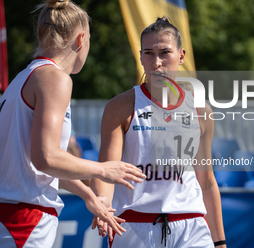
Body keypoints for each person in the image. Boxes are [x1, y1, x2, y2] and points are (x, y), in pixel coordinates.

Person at [0, 0, 145, 247]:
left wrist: (88, 194)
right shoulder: (55, 79)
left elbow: (36, 166)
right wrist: (103, 169)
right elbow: (46, 158)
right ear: (81, 39)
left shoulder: (22, 79)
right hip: (20, 224)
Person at [91, 17, 226, 248]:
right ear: (141, 56)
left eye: (165, 52)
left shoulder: (200, 110)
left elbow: (207, 183)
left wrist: (220, 241)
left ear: (181, 56)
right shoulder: (121, 107)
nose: (156, 62)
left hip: (191, 226)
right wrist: (102, 202)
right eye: (149, 53)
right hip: (135, 226)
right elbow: (106, 170)